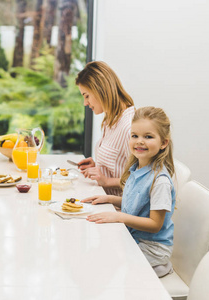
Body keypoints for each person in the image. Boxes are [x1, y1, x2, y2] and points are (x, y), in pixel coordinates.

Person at [82, 107, 176, 278]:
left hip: (152, 247)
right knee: (98, 247)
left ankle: (159, 267)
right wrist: (109, 198)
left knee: (103, 260)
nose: (140, 141)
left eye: (148, 137)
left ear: (163, 143)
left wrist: (119, 217)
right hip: (136, 237)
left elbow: (155, 224)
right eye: (135, 136)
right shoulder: (137, 168)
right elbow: (136, 201)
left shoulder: (159, 181)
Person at [75, 61, 135, 195]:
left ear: (100, 89)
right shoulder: (111, 120)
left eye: (87, 96)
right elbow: (121, 166)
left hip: (119, 208)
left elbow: (142, 181)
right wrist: (98, 167)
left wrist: (106, 181)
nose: (85, 103)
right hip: (104, 198)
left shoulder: (129, 127)